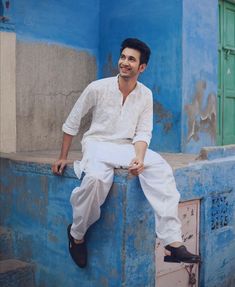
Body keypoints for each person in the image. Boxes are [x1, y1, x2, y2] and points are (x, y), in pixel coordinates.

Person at [52, 38, 201, 268]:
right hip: (97, 144)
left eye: (131, 59)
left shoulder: (146, 95)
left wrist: (139, 159)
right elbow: (73, 120)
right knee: (95, 180)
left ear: (142, 67)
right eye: (123, 57)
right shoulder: (97, 87)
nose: (124, 62)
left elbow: (143, 132)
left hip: (125, 147)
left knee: (160, 167)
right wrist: (63, 156)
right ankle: (76, 234)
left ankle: (172, 241)